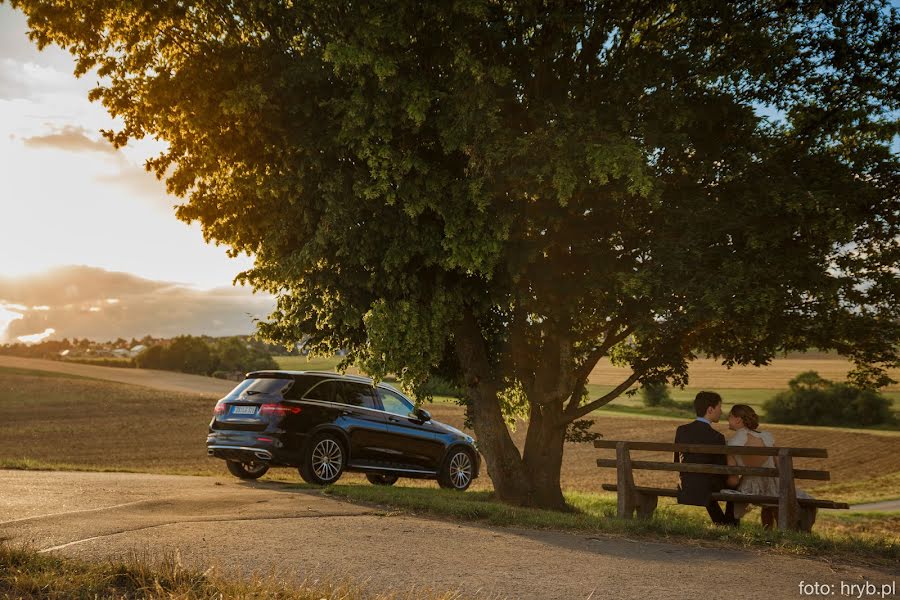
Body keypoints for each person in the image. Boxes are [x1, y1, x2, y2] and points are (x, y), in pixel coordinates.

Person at [721, 404, 812, 529]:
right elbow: (778, 465)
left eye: (730, 416)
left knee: (767, 502)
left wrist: (727, 486)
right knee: (772, 501)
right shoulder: (766, 436)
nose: (727, 418)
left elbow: (733, 478)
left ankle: (767, 531)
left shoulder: (732, 443)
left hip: (751, 487)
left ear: (738, 419)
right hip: (773, 485)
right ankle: (782, 531)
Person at [674, 391, 738, 526]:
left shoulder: (682, 430)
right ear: (710, 409)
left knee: (706, 482)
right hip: (708, 484)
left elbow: (676, 459)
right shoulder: (717, 437)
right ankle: (730, 524)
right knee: (736, 486)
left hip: (686, 482)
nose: (721, 411)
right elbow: (721, 468)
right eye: (719, 407)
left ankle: (722, 523)